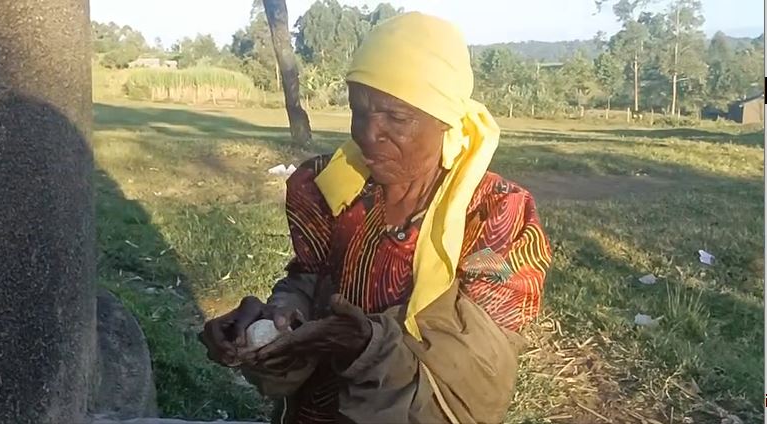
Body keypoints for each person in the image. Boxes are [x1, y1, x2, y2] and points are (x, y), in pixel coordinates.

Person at [199, 12, 553, 424]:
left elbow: (478, 382)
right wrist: (274, 319)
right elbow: (308, 280)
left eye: (396, 118)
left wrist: (366, 346)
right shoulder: (333, 187)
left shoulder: (494, 214)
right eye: (359, 110)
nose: (368, 134)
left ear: (444, 119)